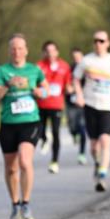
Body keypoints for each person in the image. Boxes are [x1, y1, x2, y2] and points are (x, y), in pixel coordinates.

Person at [0, 34, 48, 219]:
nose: (17, 52)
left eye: (20, 48)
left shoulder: (34, 70)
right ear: (9, 51)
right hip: (8, 124)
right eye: (13, 48)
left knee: (24, 160)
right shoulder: (2, 71)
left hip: (30, 122)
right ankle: (15, 204)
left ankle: (26, 203)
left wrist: (40, 92)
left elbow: (47, 90)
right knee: (11, 168)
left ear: (26, 50)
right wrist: (8, 84)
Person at [73, 31, 110, 192]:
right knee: (94, 146)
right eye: (96, 40)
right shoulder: (86, 60)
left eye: (102, 41)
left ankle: (102, 175)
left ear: (108, 43)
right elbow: (76, 78)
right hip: (90, 104)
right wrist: (79, 95)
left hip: (107, 105)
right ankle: (97, 163)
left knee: (105, 140)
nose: (98, 43)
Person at [36, 40, 72, 174]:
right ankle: (44, 138)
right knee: (40, 129)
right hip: (41, 104)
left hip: (56, 105)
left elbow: (68, 84)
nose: (50, 53)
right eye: (47, 51)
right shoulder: (39, 66)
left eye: (53, 51)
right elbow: (33, 83)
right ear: (44, 52)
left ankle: (54, 161)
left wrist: (70, 89)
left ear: (57, 52)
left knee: (56, 132)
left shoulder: (64, 66)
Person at [66, 47, 87, 164]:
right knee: (72, 125)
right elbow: (65, 82)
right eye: (75, 57)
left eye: (79, 57)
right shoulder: (69, 69)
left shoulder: (87, 70)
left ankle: (82, 153)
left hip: (84, 102)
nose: (77, 59)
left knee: (83, 127)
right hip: (71, 102)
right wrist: (68, 88)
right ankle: (74, 134)